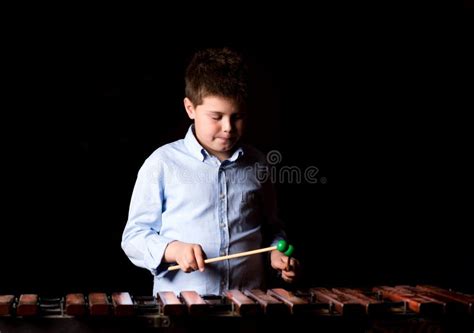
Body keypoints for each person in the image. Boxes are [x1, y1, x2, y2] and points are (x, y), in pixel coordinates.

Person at [121, 47, 299, 296]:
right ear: (190, 108)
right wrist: (173, 249)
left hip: (249, 306)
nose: (228, 128)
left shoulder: (258, 163)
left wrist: (276, 253)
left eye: (237, 116)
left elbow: (271, 229)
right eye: (216, 116)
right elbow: (134, 238)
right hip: (180, 310)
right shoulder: (162, 163)